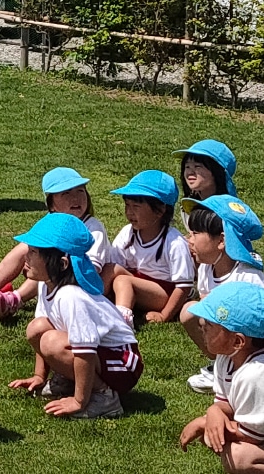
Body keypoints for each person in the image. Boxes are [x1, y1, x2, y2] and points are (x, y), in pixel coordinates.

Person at [9, 213, 142, 420]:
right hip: (101, 355)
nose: (27, 258)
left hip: (123, 363)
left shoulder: (71, 296)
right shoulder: (46, 284)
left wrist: (78, 401)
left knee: (51, 341)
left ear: (62, 264)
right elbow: (44, 328)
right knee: (37, 328)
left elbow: (85, 351)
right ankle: (69, 380)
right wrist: (39, 376)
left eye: (34, 252)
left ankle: (104, 397)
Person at [0, 167, 111, 318]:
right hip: (59, 280)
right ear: (52, 204)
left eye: (80, 191)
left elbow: (90, 270)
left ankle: (14, 299)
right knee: (29, 247)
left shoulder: (93, 228)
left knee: (46, 261)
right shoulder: (51, 225)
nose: (76, 198)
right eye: (66, 193)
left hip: (89, 286)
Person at [183, 196, 264, 394]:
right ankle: (220, 364)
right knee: (188, 312)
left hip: (250, 343)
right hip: (225, 332)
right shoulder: (206, 269)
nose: (189, 238)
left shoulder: (249, 276)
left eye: (195, 233)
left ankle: (241, 370)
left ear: (221, 240)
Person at [179, 282, 264, 469]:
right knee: (217, 435)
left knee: (239, 457)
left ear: (237, 341)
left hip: (257, 433)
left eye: (209, 324)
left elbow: (252, 435)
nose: (201, 325)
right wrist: (214, 411)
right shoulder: (226, 358)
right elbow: (226, 403)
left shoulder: (256, 374)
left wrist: (203, 424)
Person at [106, 170, 194, 326]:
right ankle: (90, 303)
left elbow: (184, 286)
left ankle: (121, 324)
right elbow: (115, 266)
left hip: (163, 294)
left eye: (136, 207)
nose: (129, 212)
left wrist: (164, 315)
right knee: (111, 269)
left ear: (160, 210)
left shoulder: (174, 242)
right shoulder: (127, 232)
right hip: (137, 284)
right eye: (127, 205)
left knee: (123, 280)